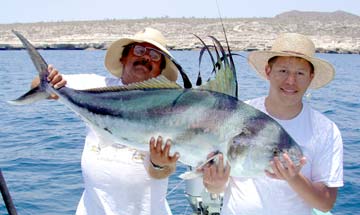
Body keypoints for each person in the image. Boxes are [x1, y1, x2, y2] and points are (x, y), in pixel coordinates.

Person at [34, 27, 180, 215]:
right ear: (123, 58)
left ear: (160, 70)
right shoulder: (97, 87)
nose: (146, 57)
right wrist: (48, 81)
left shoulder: (170, 106)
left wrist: (159, 163)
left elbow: (164, 170)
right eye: (139, 50)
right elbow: (40, 86)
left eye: (155, 55)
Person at [201, 33, 343, 215]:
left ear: (311, 77)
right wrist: (215, 183)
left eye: (300, 73)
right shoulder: (235, 115)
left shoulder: (326, 131)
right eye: (283, 71)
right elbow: (214, 186)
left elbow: (326, 204)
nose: (291, 81)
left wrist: (294, 178)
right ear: (268, 71)